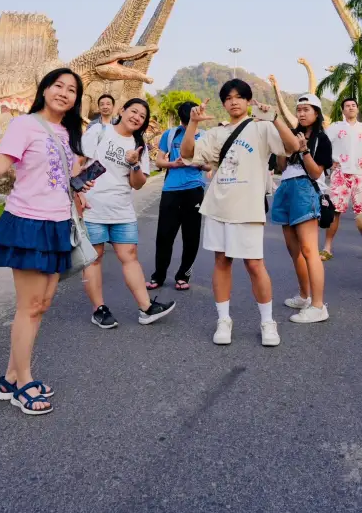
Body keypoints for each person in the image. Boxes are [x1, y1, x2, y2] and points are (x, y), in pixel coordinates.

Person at [0, 68, 91, 416]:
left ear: (76, 99)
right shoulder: (24, 125)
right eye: (58, 85)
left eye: (72, 89)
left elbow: (62, 177)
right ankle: (23, 384)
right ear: (44, 89)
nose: (64, 92)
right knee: (28, 307)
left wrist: (79, 188)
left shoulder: (69, 133)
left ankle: (11, 377)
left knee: (41, 306)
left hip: (59, 224)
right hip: (29, 223)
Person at [180, 79, 300, 347]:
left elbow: (292, 147)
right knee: (221, 262)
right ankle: (224, 320)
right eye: (228, 97)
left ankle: (268, 322)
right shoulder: (216, 133)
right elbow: (187, 154)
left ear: (248, 101)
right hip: (218, 206)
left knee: (254, 264)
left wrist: (275, 118)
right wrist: (194, 123)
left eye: (239, 96)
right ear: (224, 103)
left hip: (247, 209)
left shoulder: (262, 127)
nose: (234, 101)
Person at [81, 97, 175, 328]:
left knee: (130, 256)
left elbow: (138, 184)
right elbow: (78, 160)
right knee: (94, 259)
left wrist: (134, 163)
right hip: (93, 207)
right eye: (133, 112)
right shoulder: (99, 132)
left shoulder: (138, 145)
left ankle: (146, 308)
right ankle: (99, 310)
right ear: (122, 111)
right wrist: (77, 193)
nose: (136, 118)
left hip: (122, 210)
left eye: (142, 116)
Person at [271, 94, 333, 323]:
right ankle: (305, 296)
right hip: (286, 186)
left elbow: (317, 172)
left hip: (305, 188)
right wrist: (282, 148)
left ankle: (318, 306)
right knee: (293, 249)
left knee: (309, 250)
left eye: (306, 109)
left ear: (316, 112)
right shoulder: (292, 136)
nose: (302, 113)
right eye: (299, 109)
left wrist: (305, 150)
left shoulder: (321, 139)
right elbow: (280, 166)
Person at [146, 101, 209, 291]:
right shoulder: (170, 134)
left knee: (191, 237)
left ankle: (183, 276)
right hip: (170, 190)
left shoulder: (205, 137)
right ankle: (158, 276)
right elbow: (159, 160)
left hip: (194, 190)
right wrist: (174, 164)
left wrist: (195, 162)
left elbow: (209, 166)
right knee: (164, 235)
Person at [321, 97, 362, 260]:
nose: (351, 108)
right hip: (340, 174)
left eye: (353, 105)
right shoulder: (335, 128)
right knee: (335, 212)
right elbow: (323, 145)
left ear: (357, 109)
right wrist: (329, 163)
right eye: (347, 106)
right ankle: (327, 248)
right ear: (342, 110)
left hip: (361, 175)